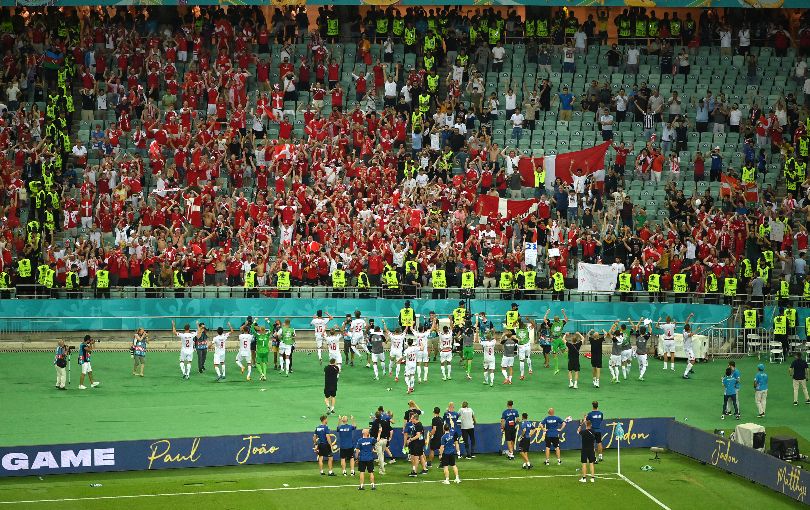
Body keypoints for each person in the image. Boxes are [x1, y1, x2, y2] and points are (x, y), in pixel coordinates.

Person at [544, 308, 569, 374]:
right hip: (560, 339)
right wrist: (563, 312)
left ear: (554, 320)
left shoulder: (551, 324)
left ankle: (556, 369)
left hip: (554, 341)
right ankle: (571, 364)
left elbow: (544, 319)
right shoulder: (561, 323)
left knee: (554, 354)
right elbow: (566, 319)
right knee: (564, 352)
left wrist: (547, 312)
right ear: (559, 319)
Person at [404, 412, 428, 476]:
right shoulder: (417, 425)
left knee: (416, 457)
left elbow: (418, 435)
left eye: (412, 419)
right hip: (419, 443)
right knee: (420, 455)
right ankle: (424, 469)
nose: (411, 420)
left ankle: (415, 472)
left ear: (415, 419)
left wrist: (410, 439)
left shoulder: (418, 425)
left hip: (418, 443)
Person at [577, 417, 597, 483]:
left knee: (584, 464)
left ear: (586, 425)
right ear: (591, 425)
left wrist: (580, 424)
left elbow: (578, 431)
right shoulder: (594, 432)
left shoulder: (583, 432)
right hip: (591, 449)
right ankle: (592, 478)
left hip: (584, 450)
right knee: (591, 463)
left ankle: (584, 478)